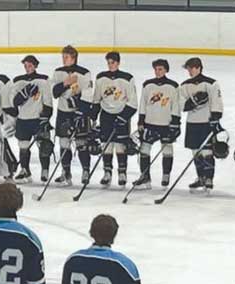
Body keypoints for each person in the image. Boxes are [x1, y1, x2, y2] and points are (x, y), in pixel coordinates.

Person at [50, 45, 95, 186]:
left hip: (79, 112)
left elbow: (88, 93)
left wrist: (81, 111)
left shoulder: (84, 73)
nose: (64, 60)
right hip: (63, 112)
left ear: (74, 57)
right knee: (63, 143)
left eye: (67, 57)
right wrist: (65, 83)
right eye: (63, 57)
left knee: (81, 143)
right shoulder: (58, 72)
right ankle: (66, 172)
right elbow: (55, 93)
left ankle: (85, 171)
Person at [93, 52, 138, 187]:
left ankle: (122, 172)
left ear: (118, 63)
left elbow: (133, 102)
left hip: (121, 115)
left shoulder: (127, 78)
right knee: (106, 144)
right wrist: (93, 117)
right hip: (106, 115)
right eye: (109, 62)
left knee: (120, 145)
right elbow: (96, 99)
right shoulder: (101, 78)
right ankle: (107, 172)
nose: (110, 65)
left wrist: (123, 117)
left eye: (113, 62)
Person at [5, 55, 52, 183]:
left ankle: (45, 170)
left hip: (38, 119)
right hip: (23, 119)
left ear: (36, 66)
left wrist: (46, 117)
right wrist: (24, 93)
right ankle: (25, 169)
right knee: (23, 146)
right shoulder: (18, 81)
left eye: (30, 65)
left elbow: (48, 100)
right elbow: (14, 102)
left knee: (44, 146)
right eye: (25, 66)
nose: (27, 68)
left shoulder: (43, 80)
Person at [179, 57, 223, 193]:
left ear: (199, 68)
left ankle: (209, 178)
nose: (189, 71)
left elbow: (217, 102)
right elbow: (181, 105)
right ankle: (201, 177)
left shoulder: (211, 83)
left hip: (206, 122)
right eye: (188, 68)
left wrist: (215, 119)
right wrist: (193, 102)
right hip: (192, 122)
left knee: (207, 152)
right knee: (195, 151)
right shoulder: (184, 85)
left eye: (191, 68)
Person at [136, 59, 180, 188]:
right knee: (144, 150)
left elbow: (176, 106)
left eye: (160, 69)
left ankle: (166, 175)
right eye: (155, 69)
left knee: (167, 150)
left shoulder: (173, 86)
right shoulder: (147, 85)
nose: (157, 71)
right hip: (150, 123)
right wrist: (141, 121)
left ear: (166, 70)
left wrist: (175, 124)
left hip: (166, 124)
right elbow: (143, 104)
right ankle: (145, 177)